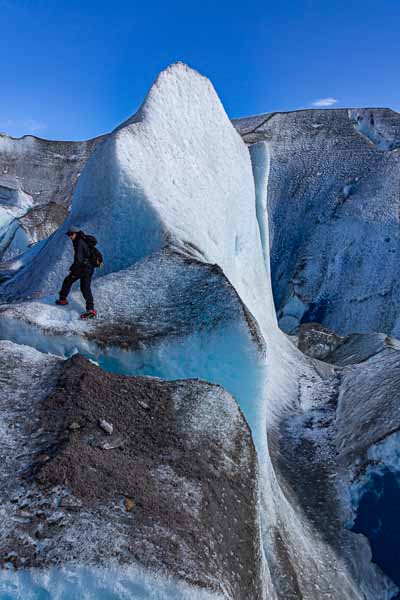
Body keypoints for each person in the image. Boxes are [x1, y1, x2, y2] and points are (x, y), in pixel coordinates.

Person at [55, 226, 97, 320]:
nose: (69, 236)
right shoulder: (83, 239)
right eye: (68, 234)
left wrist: (72, 268)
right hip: (89, 268)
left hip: (82, 268)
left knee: (67, 281)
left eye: (71, 234)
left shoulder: (79, 242)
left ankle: (63, 300)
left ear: (76, 233)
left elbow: (78, 259)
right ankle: (91, 310)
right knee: (85, 288)